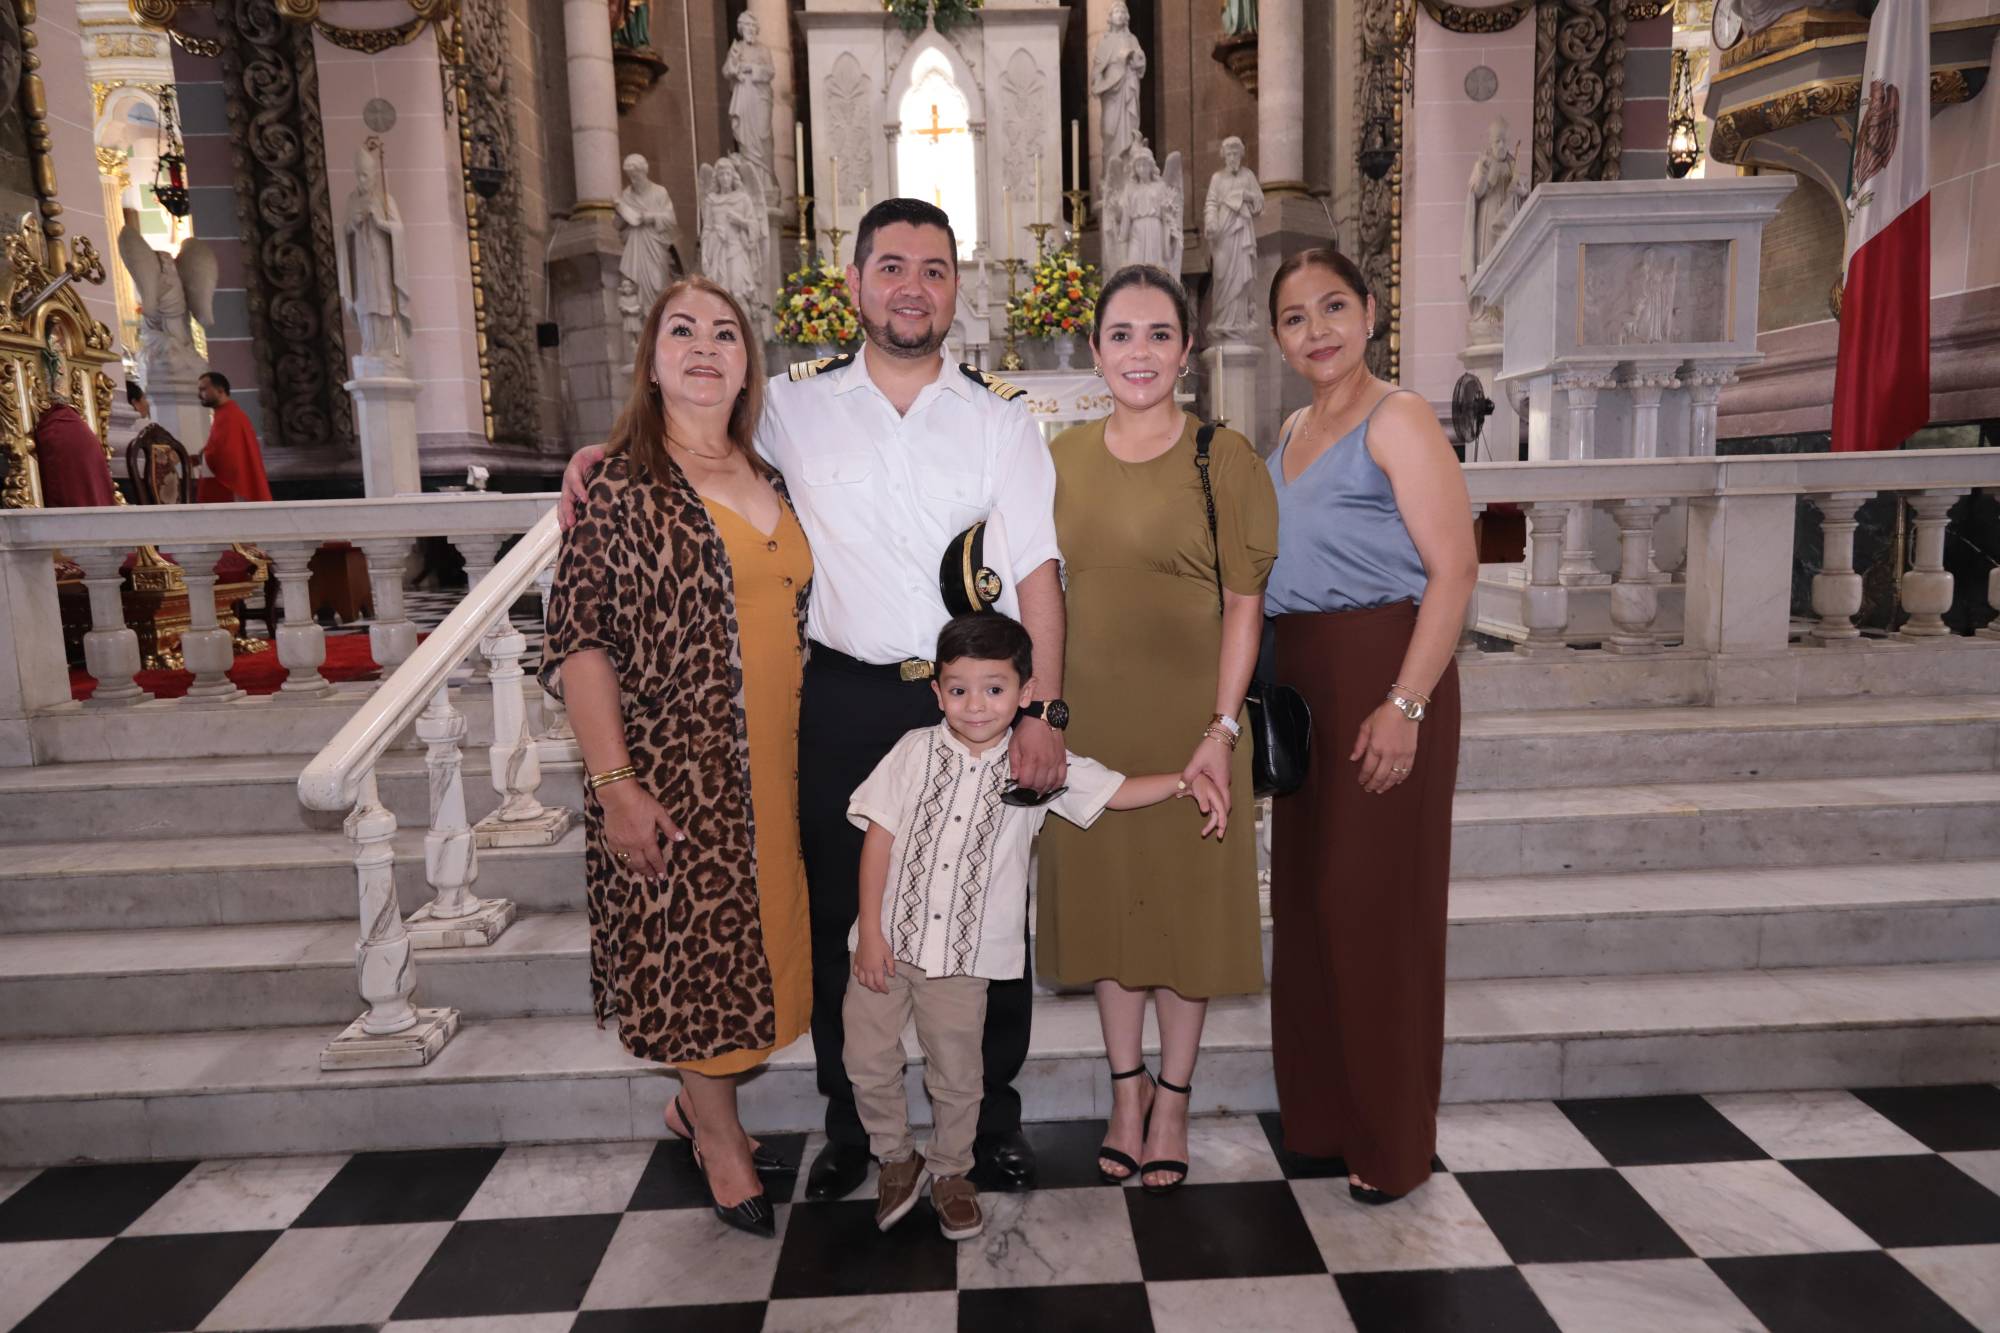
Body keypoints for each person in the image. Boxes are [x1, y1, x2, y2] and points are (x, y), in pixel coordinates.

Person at [560, 198, 1069, 1201]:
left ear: (956, 286)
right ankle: (855, 1119)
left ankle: (991, 1118)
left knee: (986, 913)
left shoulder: (1001, 415)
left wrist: (1043, 711)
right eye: (890, 266)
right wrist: (597, 459)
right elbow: (689, 446)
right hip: (839, 702)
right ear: (852, 283)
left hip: (971, 704)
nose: (911, 286)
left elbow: (1040, 576)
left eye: (931, 267)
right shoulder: (791, 407)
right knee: (849, 915)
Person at [541, 277, 813, 1239]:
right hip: (674, 774)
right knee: (695, 974)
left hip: (774, 769)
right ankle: (721, 1141)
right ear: (652, 360)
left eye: (726, 334)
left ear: (748, 363)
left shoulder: (772, 474)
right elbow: (577, 642)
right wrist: (617, 784)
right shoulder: (620, 485)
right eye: (682, 331)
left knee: (763, 961)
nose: (705, 347)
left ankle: (694, 1106)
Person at [848, 613, 1225, 1241]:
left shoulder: (1038, 767)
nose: (975, 705)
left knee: (958, 1075)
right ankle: (895, 1158)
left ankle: (950, 1171)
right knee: (866, 1060)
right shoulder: (913, 752)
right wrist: (870, 932)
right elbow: (878, 841)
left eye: (994, 689)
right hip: (886, 945)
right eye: (959, 689)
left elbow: (1117, 791)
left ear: (1026, 694)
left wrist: (1187, 782)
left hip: (964, 961)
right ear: (936, 691)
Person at [1039, 265, 1276, 1192]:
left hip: (1195, 724)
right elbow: (1037, 590)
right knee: (1109, 910)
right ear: (1095, 351)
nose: (1140, 353)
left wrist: (1220, 728)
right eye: (1122, 334)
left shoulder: (1228, 457)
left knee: (1184, 913)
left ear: (1186, 350)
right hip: (1092, 721)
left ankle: (1174, 1096)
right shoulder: (1059, 459)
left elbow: (1245, 605)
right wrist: (1047, 717)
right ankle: (1126, 1090)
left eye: (1159, 334)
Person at [1264, 248, 1477, 1203]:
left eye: (1334, 307)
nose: (1318, 329)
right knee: (1309, 908)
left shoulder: (1402, 417)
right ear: (1277, 338)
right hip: (1305, 684)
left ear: (1372, 312)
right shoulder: (1293, 427)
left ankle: (1391, 1141)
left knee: (1374, 909)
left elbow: (1455, 572)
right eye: (1296, 317)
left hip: (1384, 673)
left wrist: (1407, 702)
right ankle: (1320, 1117)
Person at [193, 372, 272, 503]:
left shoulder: (229, 417)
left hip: (231, 487)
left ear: (220, 390)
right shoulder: (226, 413)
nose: (200, 394)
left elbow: (226, 455)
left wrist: (205, 455)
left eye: (203, 389)